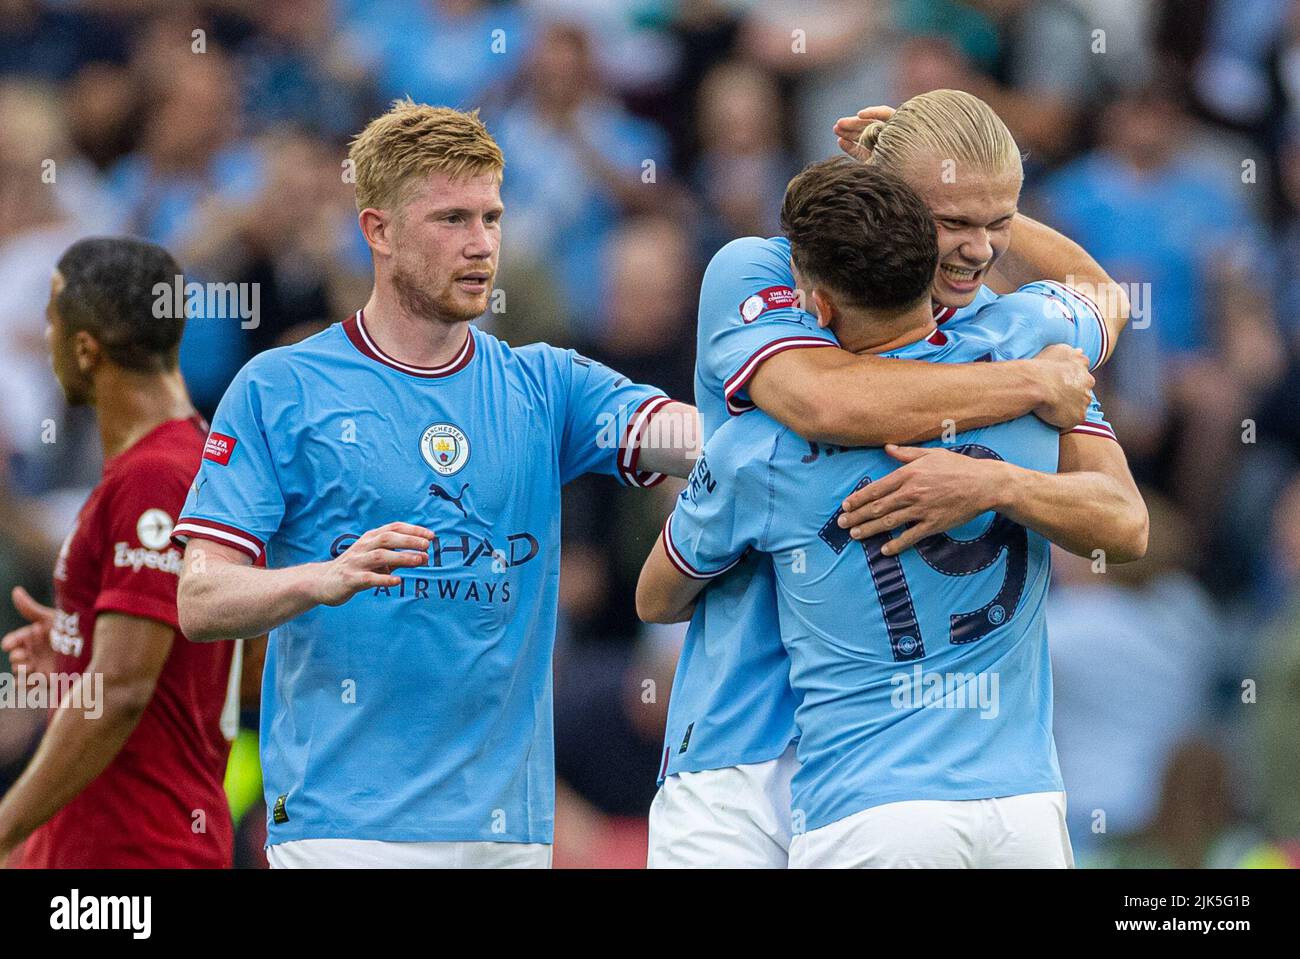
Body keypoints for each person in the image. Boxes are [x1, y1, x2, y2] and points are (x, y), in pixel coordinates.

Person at [172, 100, 696, 869]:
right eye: (451, 219)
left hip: (506, 833)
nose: (481, 244)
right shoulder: (283, 387)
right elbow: (200, 598)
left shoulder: (545, 384)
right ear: (378, 230)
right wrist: (324, 577)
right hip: (344, 827)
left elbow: (696, 441)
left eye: (491, 217)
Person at [647, 89, 1141, 868]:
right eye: (952, 221)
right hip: (745, 745)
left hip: (903, 777)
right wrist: (1031, 386)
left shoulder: (1014, 323)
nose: (980, 250)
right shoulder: (759, 268)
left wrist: (998, 480)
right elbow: (822, 400)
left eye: (999, 223)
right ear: (889, 207)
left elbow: (1108, 301)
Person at [0, 237, 235, 868]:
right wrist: (80, 644)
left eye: (52, 325)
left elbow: (124, 688)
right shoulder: (185, 459)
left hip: (136, 858)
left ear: (83, 348)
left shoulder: (156, 478)